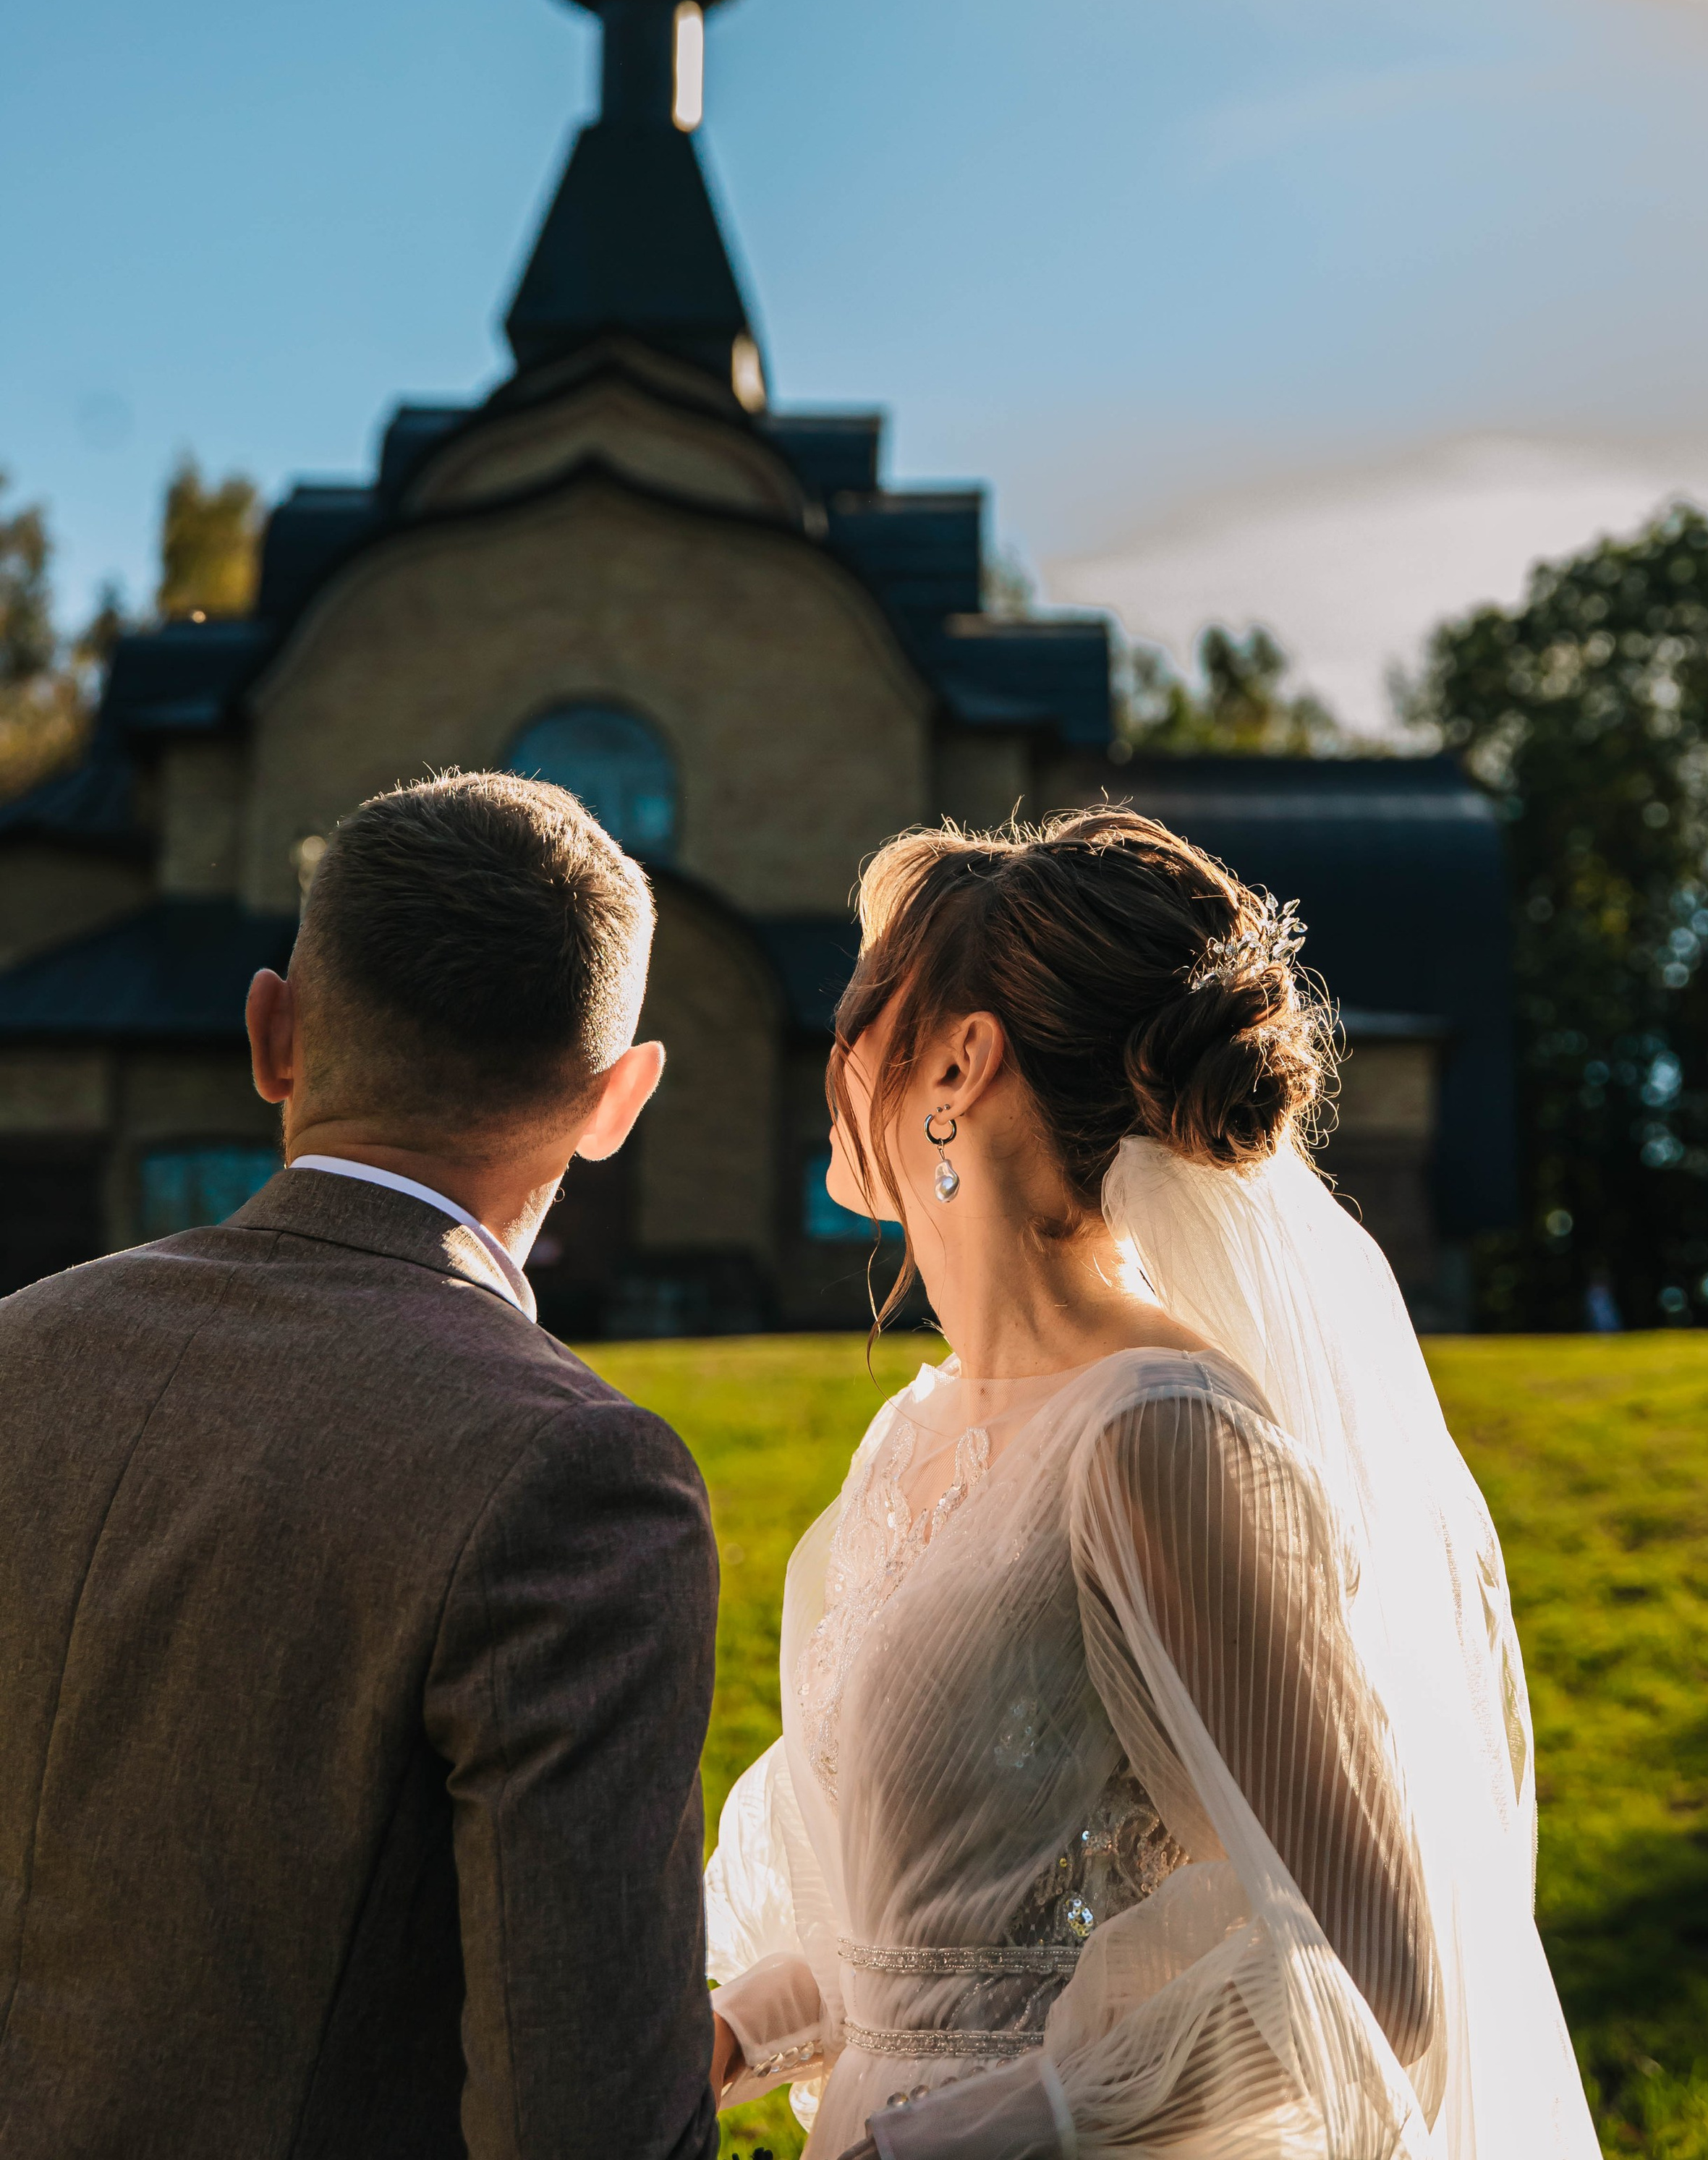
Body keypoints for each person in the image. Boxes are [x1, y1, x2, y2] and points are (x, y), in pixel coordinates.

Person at [705, 809, 1598, 2160]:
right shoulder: (920, 1426)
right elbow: (938, 1934)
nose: (832, 1059)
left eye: (860, 1010)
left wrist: (981, 2135)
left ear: (958, 1062)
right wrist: (739, 2033)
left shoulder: (1161, 1435)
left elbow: (1378, 1982)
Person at [0, 770, 719, 2160]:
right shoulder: (573, 1474)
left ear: (274, 1033)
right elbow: (587, 2118)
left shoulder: (17, 1343)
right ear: (620, 1100)